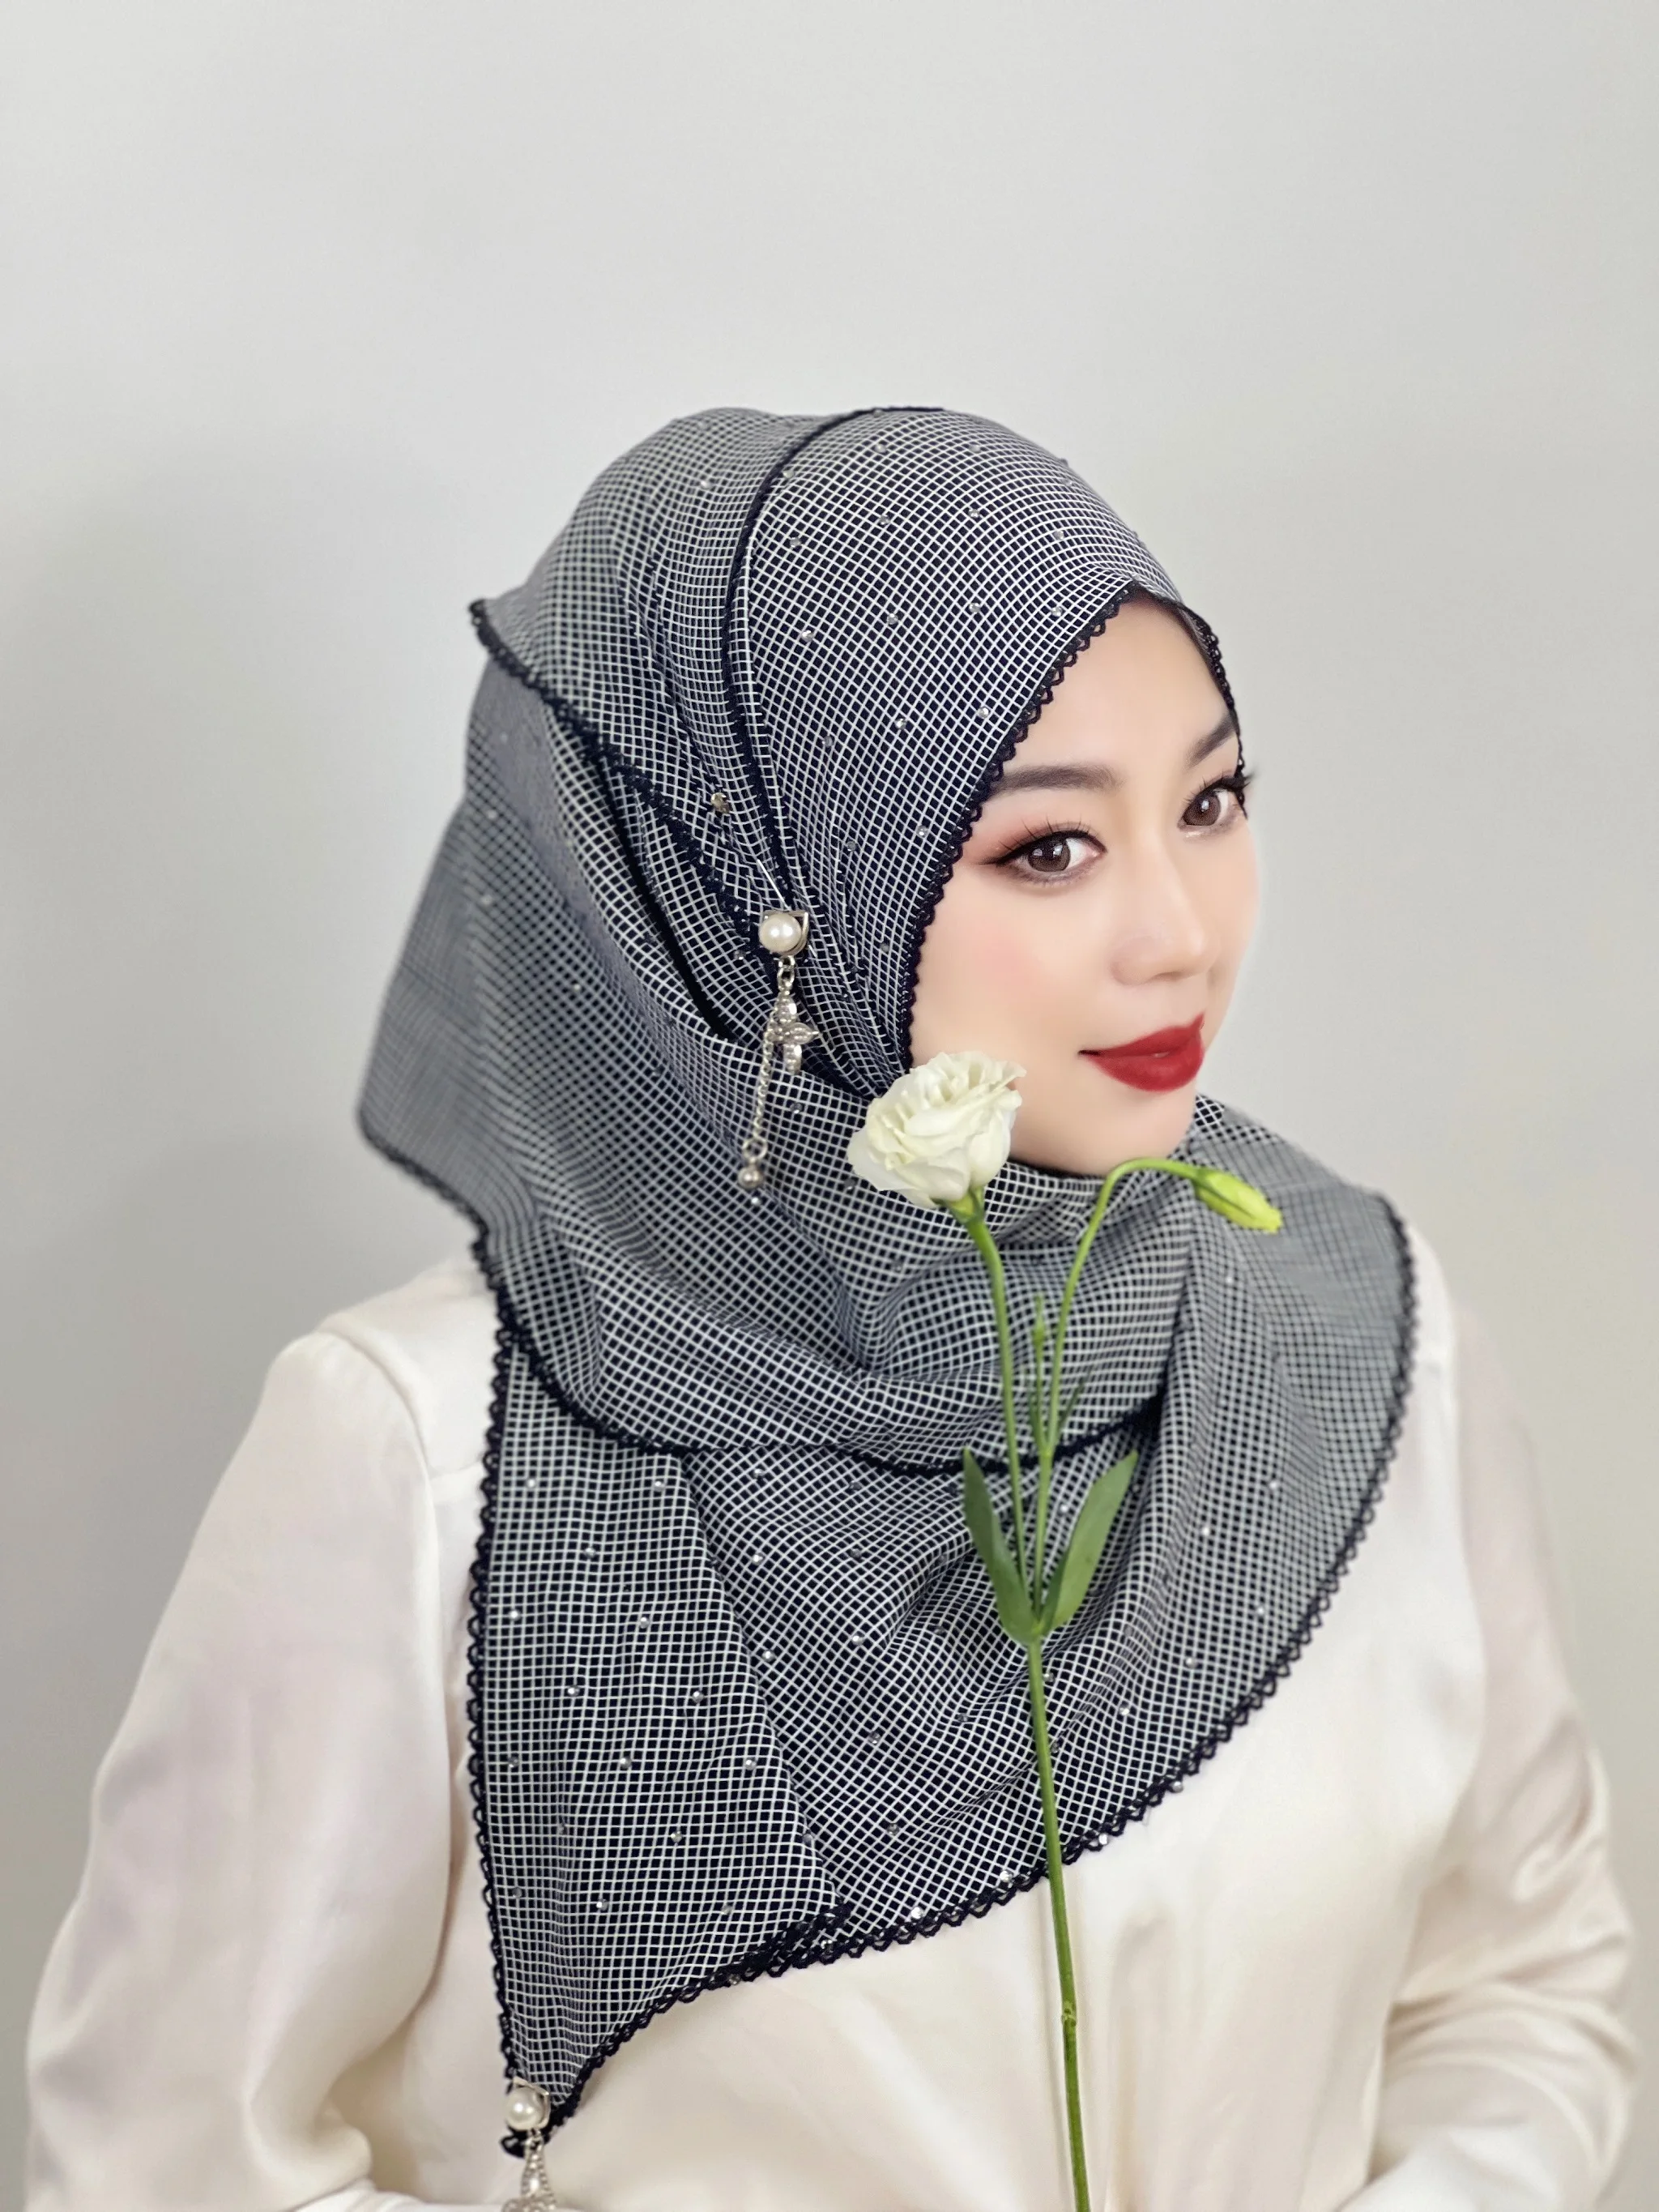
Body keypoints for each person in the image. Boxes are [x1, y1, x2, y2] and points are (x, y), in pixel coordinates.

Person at [24, 406, 1636, 2211]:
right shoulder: (427, 1455)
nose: (1180, 931)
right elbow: (160, 2164)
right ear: (756, 891)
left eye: (1210, 802)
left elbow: (1518, 1992)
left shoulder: (1367, 1332)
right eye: (1047, 848)